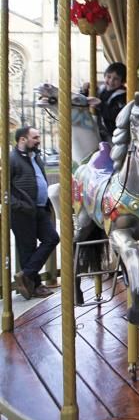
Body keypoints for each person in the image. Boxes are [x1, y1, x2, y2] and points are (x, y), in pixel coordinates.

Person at [9, 126, 60, 300]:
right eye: (35, 137)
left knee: (52, 238)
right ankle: (35, 286)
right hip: (22, 211)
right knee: (27, 248)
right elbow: (4, 188)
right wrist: (20, 205)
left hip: (40, 208)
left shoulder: (35, 157)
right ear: (23, 139)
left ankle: (26, 275)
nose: (38, 140)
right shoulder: (12, 159)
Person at [96, 62, 128, 142]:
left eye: (116, 79)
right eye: (109, 76)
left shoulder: (122, 96)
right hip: (98, 128)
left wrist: (100, 105)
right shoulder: (101, 90)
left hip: (112, 133)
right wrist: (85, 90)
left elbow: (115, 115)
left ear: (122, 82)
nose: (111, 81)